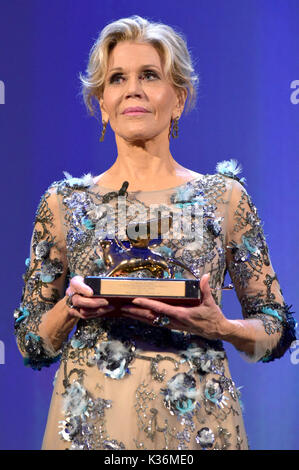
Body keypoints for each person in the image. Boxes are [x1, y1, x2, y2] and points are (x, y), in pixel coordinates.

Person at [14, 15, 296, 451]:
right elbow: (32, 343)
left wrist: (221, 326)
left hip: (198, 429)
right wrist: (71, 307)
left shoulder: (225, 198)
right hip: (90, 427)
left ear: (179, 99)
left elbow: (276, 330)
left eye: (149, 75)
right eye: (117, 79)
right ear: (103, 103)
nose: (133, 89)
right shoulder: (63, 204)